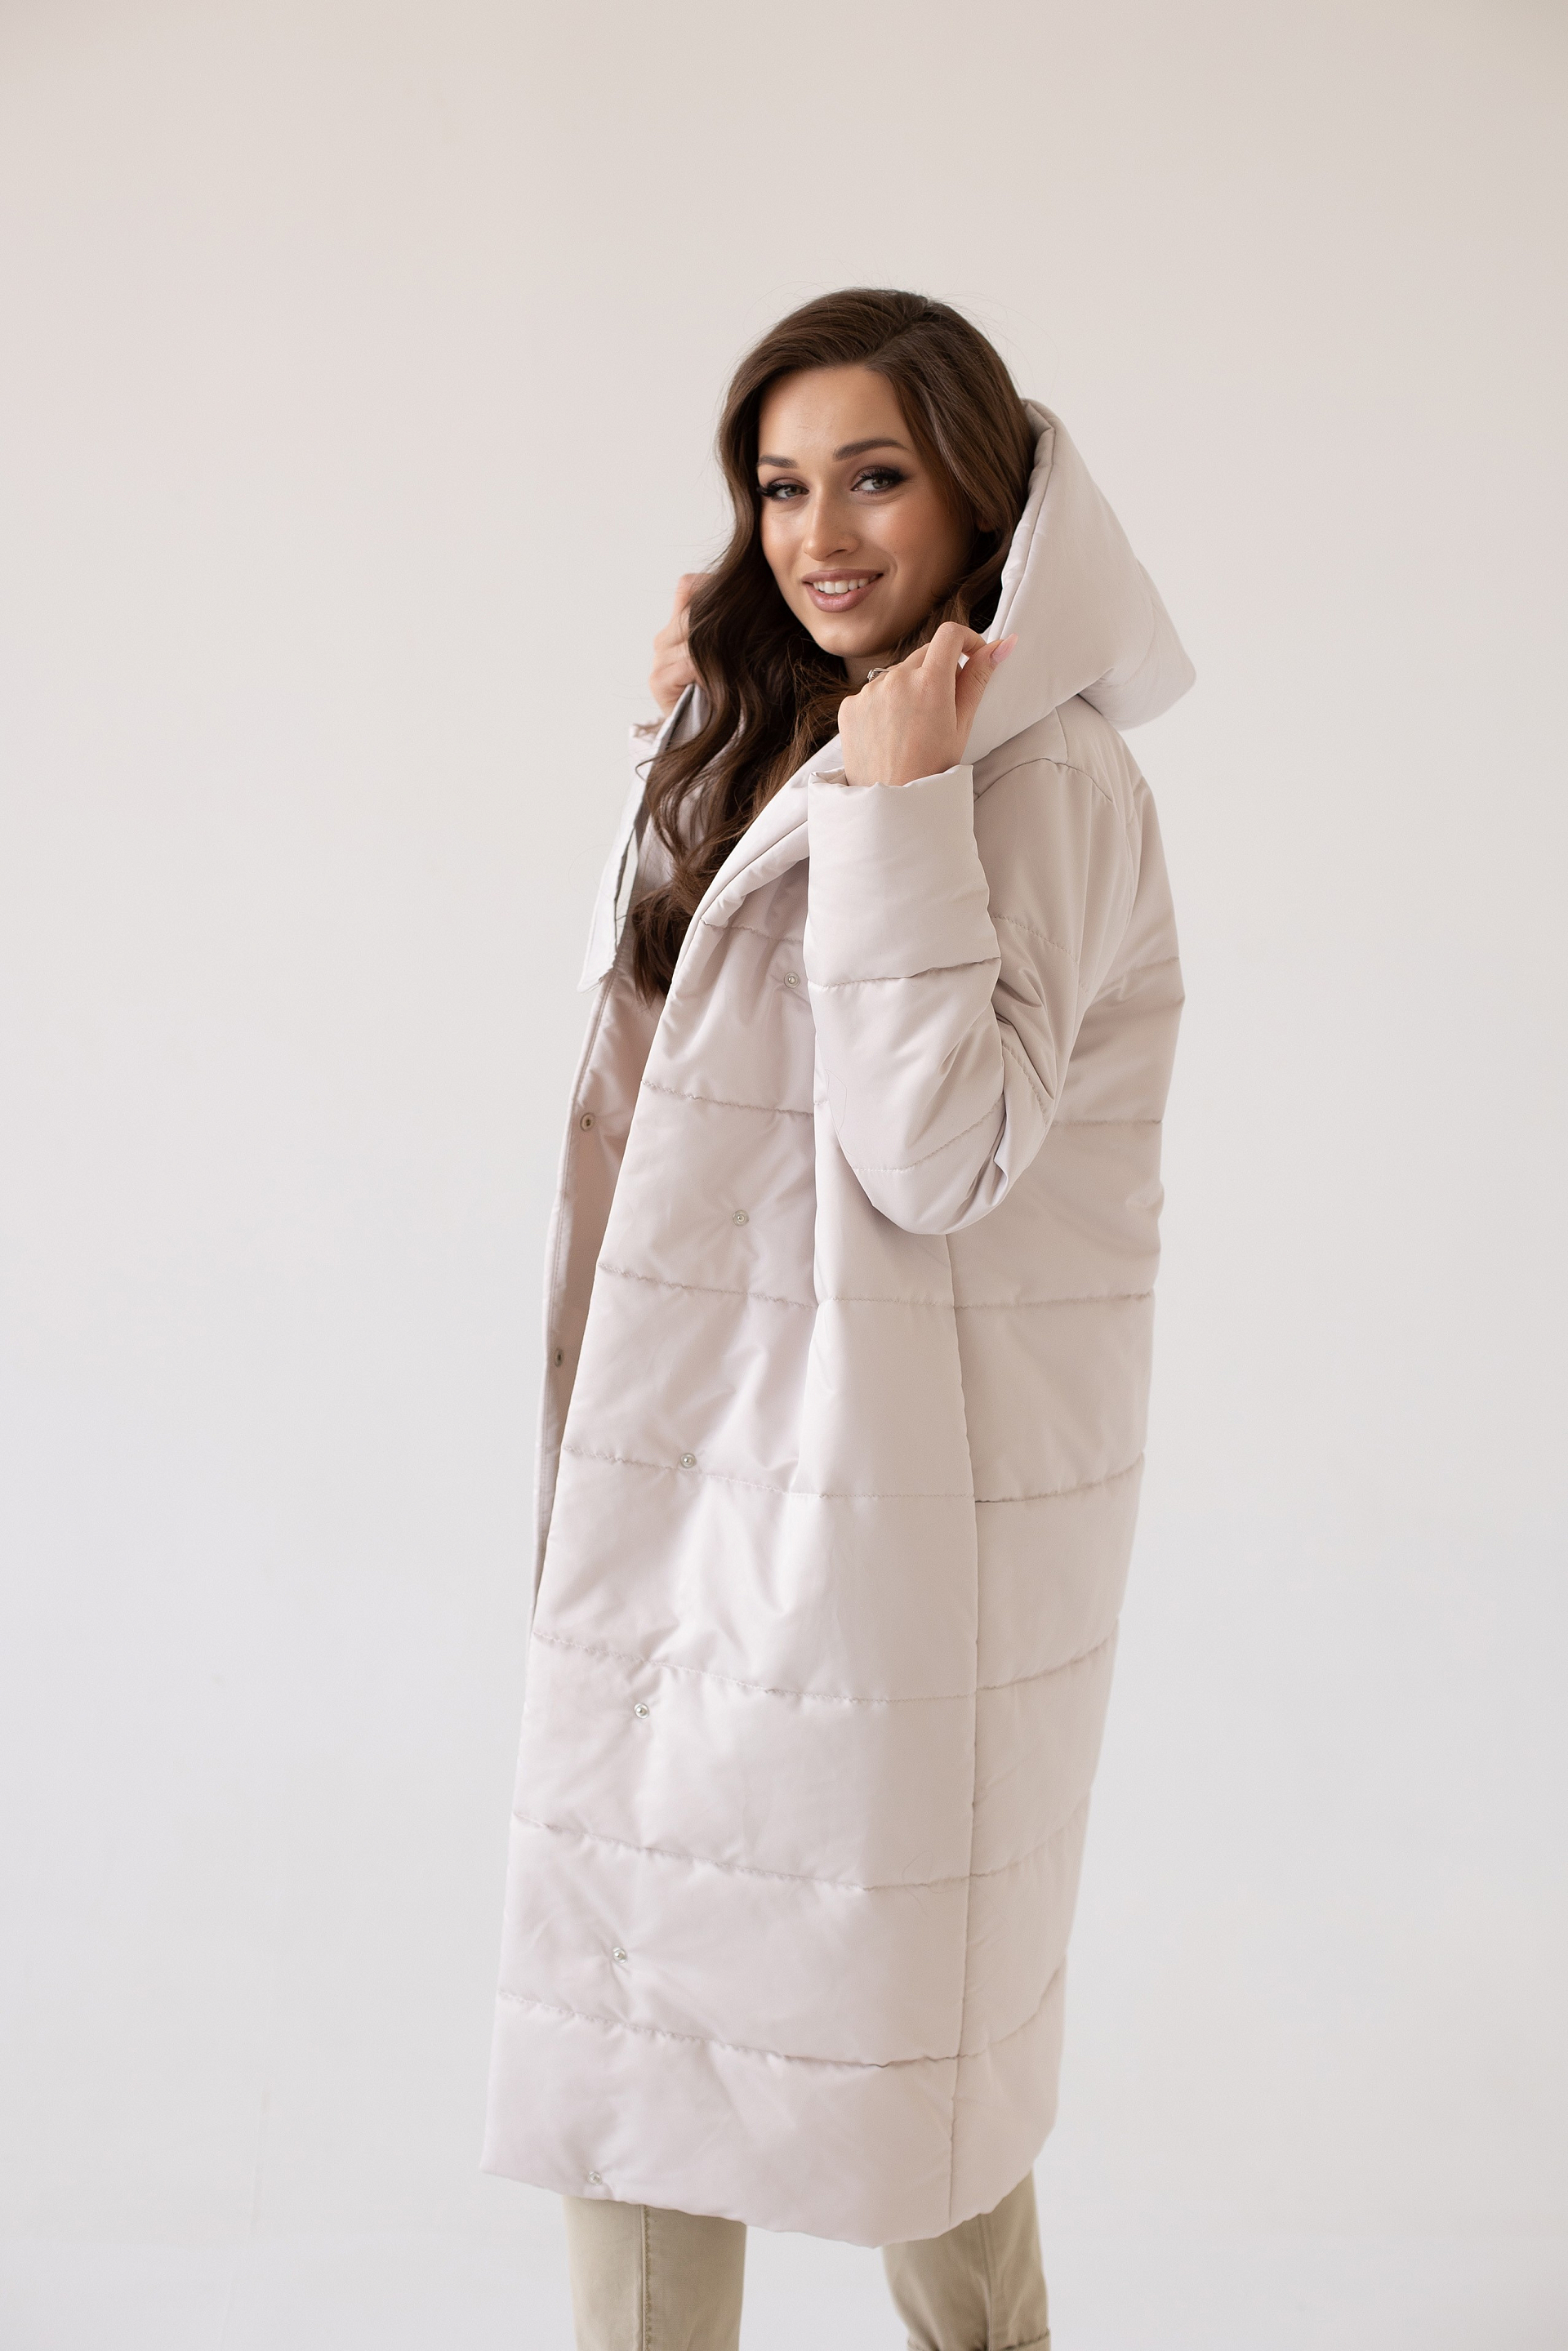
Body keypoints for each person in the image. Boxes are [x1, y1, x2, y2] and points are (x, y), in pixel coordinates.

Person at [483, 287, 1193, 2350]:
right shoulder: (804, 728)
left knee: (902, 2050)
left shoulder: (1048, 782)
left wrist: (893, 810)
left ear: (984, 491)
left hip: (892, 1518)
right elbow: (664, 1099)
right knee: (640, 2023)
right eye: (781, 488)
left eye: (874, 476)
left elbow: (939, 1152)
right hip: (705, 1476)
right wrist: (705, 755)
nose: (821, 533)